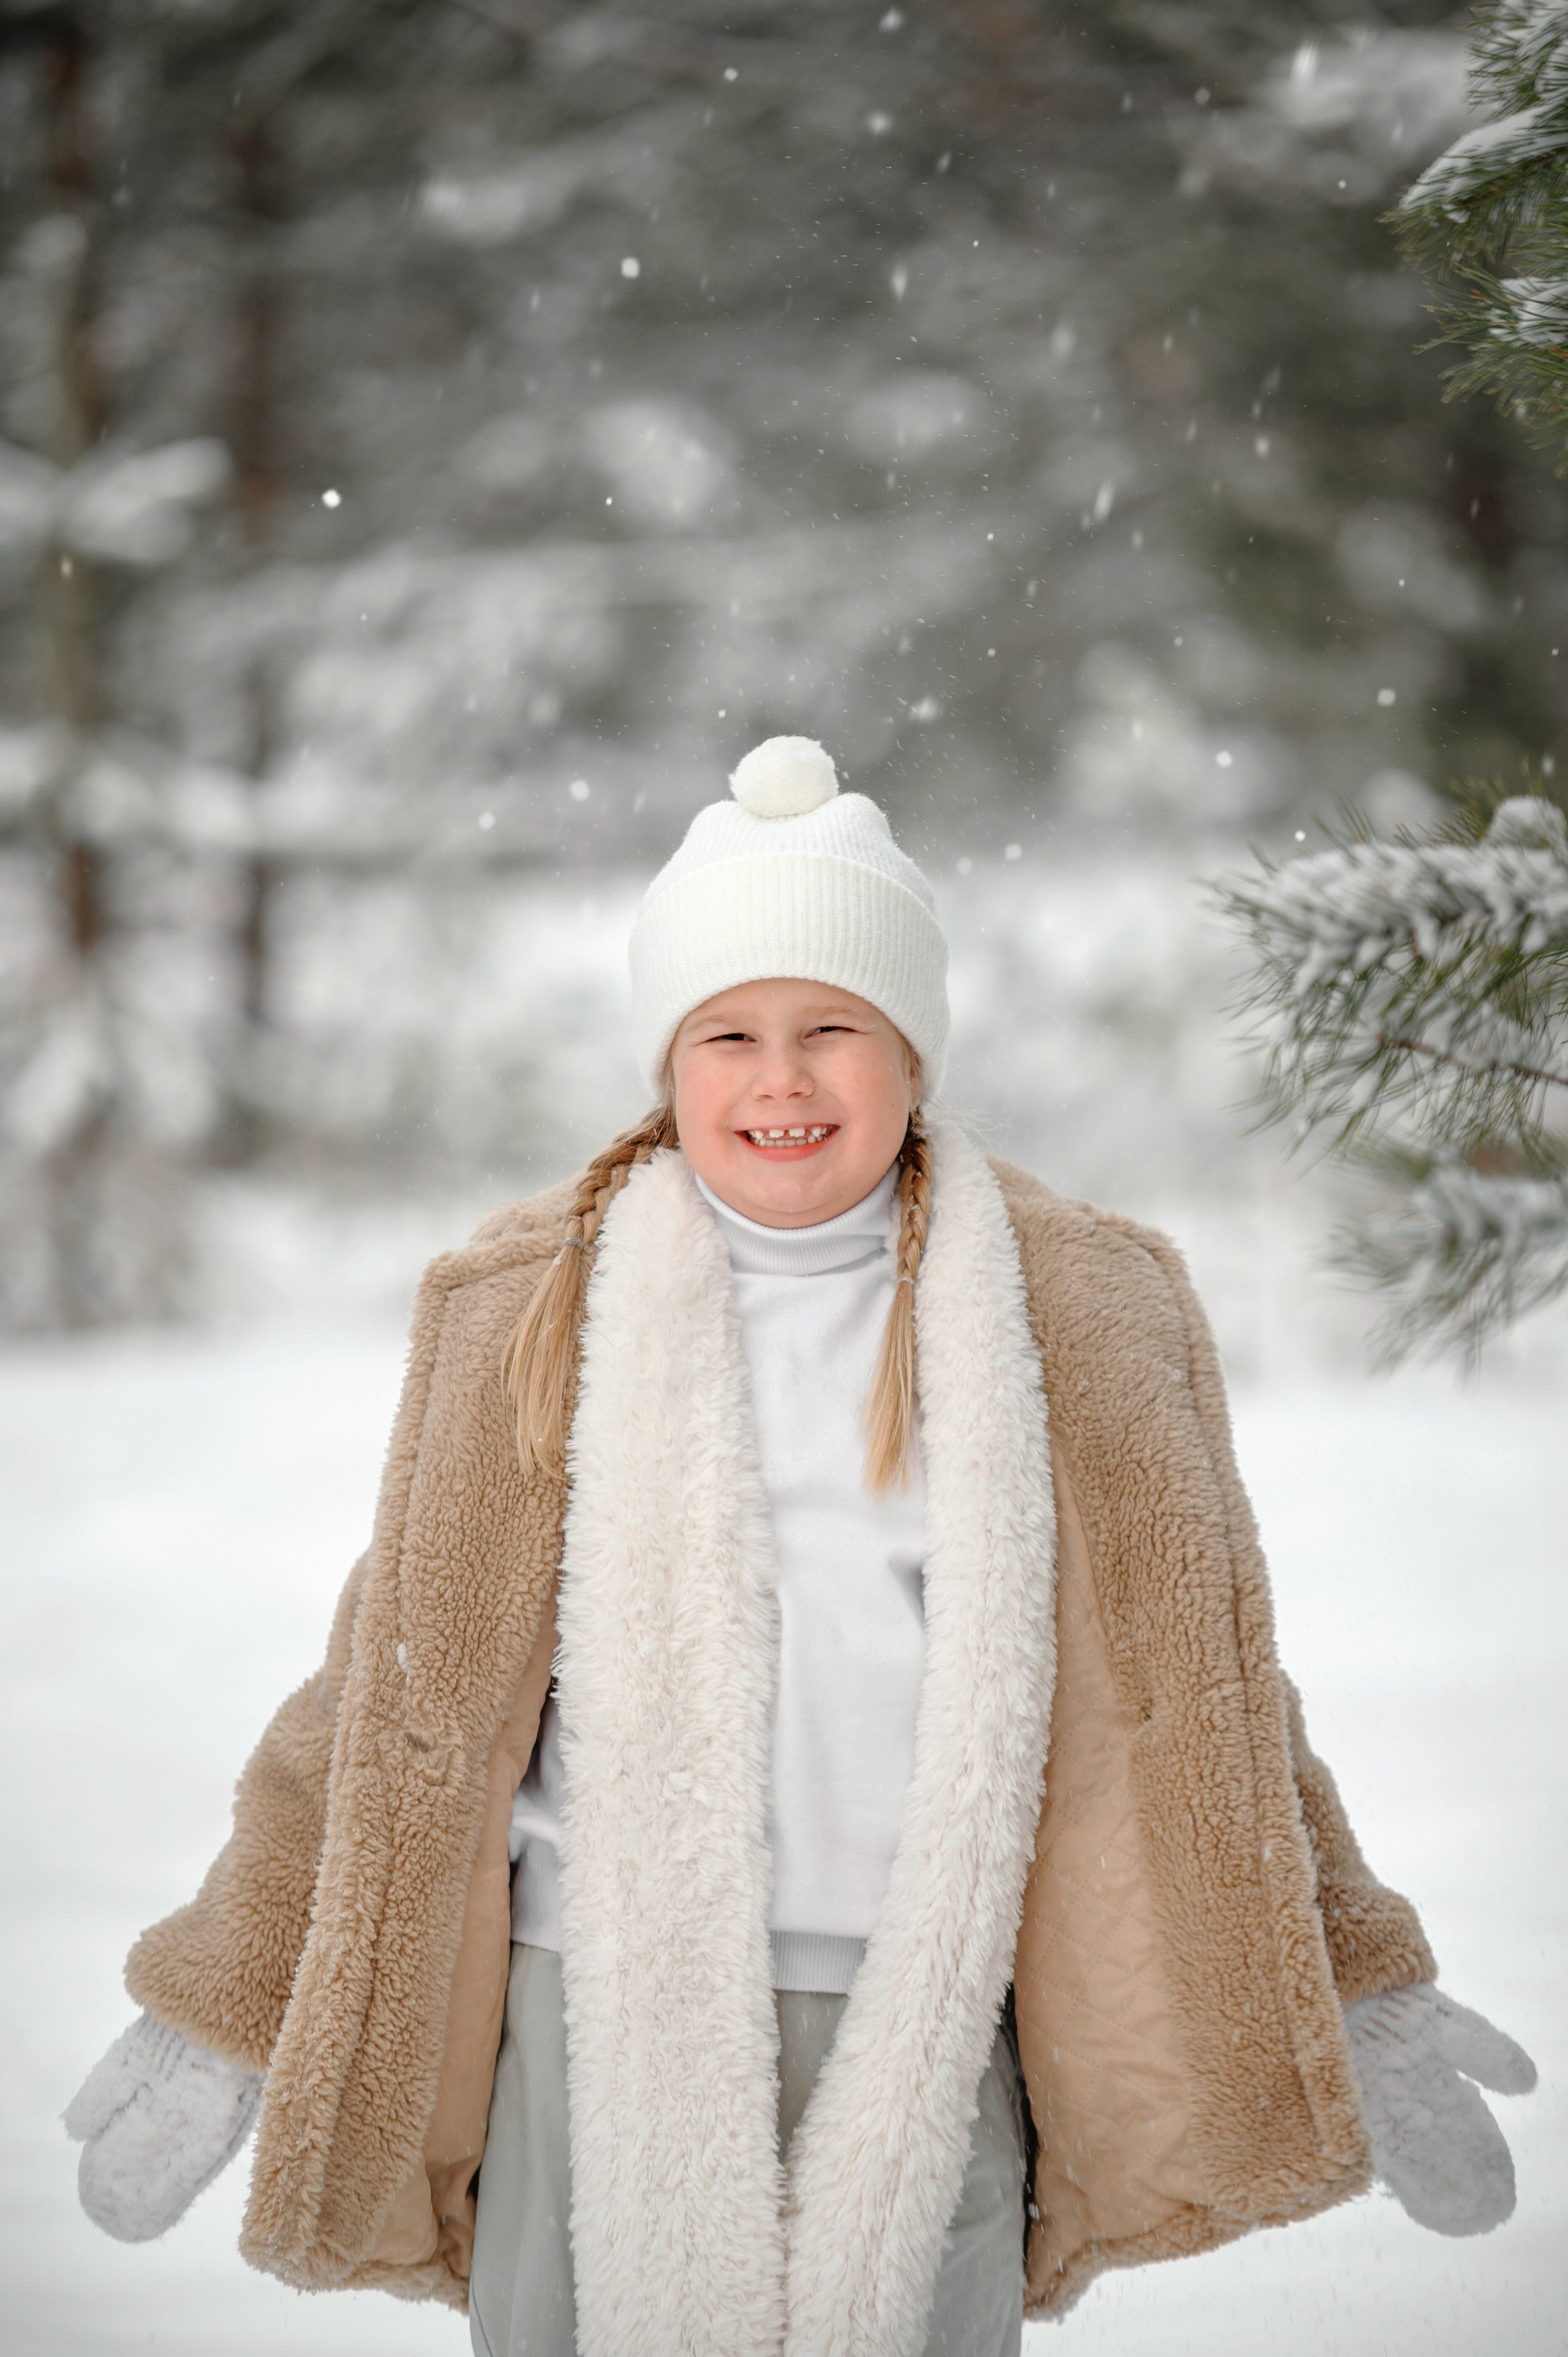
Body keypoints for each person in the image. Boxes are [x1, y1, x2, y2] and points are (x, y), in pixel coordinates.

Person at [66, 737, 1536, 2357]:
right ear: (667, 1066)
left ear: (912, 1052)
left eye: (835, 1028)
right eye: (731, 1035)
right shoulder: (536, 1315)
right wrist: (228, 1989)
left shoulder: (1073, 1320)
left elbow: (1204, 1698)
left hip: (934, 2009)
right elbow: (389, 1700)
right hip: (586, 2004)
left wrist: (1357, 1977)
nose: (784, 1081)